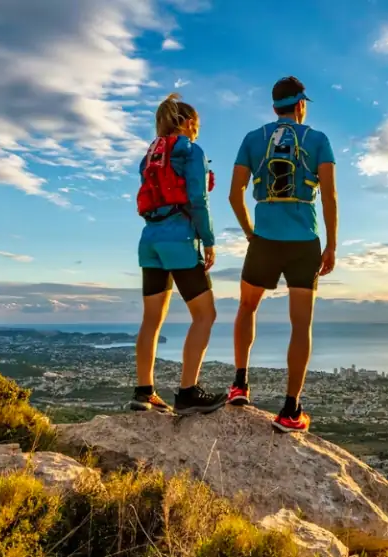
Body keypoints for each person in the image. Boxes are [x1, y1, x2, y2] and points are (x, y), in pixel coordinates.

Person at [228, 76, 338, 433]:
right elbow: (329, 197)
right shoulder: (318, 140)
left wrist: (250, 233)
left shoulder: (253, 139)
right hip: (304, 242)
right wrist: (331, 245)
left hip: (264, 238)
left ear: (274, 107)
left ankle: (240, 385)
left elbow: (234, 194)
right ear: (301, 104)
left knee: (247, 307)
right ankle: (291, 409)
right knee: (301, 324)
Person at [129, 93, 228, 415]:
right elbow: (198, 200)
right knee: (205, 315)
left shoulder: (149, 159)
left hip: (150, 240)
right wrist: (208, 241)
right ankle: (188, 393)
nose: (197, 131)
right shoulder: (191, 152)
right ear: (185, 123)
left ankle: (144, 392)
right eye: (195, 125)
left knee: (151, 320)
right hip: (179, 239)